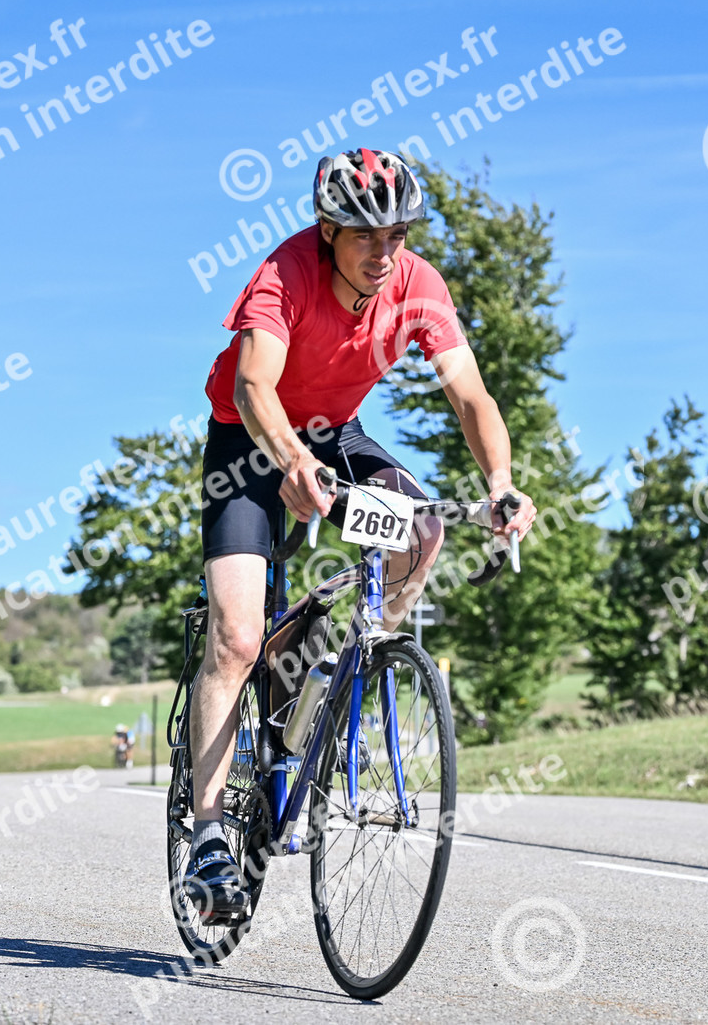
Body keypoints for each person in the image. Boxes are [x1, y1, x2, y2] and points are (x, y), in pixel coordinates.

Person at [183, 148, 537, 918]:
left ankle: (350, 673)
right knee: (237, 638)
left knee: (423, 531)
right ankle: (208, 833)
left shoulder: (418, 285)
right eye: (367, 236)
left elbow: (470, 395)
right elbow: (252, 383)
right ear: (328, 231)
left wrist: (500, 482)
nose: (385, 252)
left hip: (336, 432)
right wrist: (291, 461)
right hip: (248, 441)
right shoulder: (285, 275)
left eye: (398, 235)